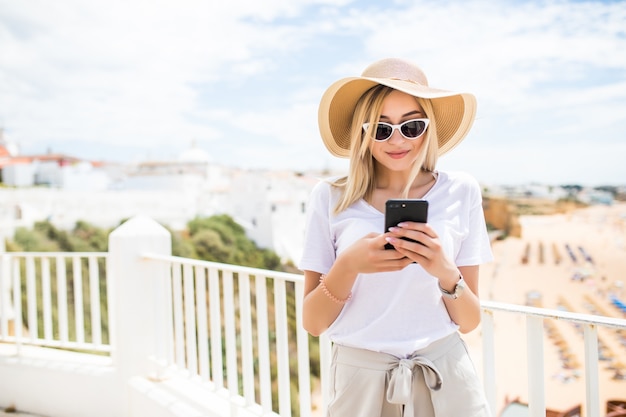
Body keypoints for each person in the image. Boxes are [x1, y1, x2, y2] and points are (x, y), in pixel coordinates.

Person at [299, 58, 493, 417]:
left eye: (412, 125)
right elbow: (313, 323)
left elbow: (469, 321)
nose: (398, 140)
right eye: (381, 128)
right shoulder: (330, 198)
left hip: (446, 372)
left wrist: (445, 272)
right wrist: (349, 265)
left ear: (428, 129)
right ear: (362, 132)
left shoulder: (461, 191)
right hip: (361, 380)